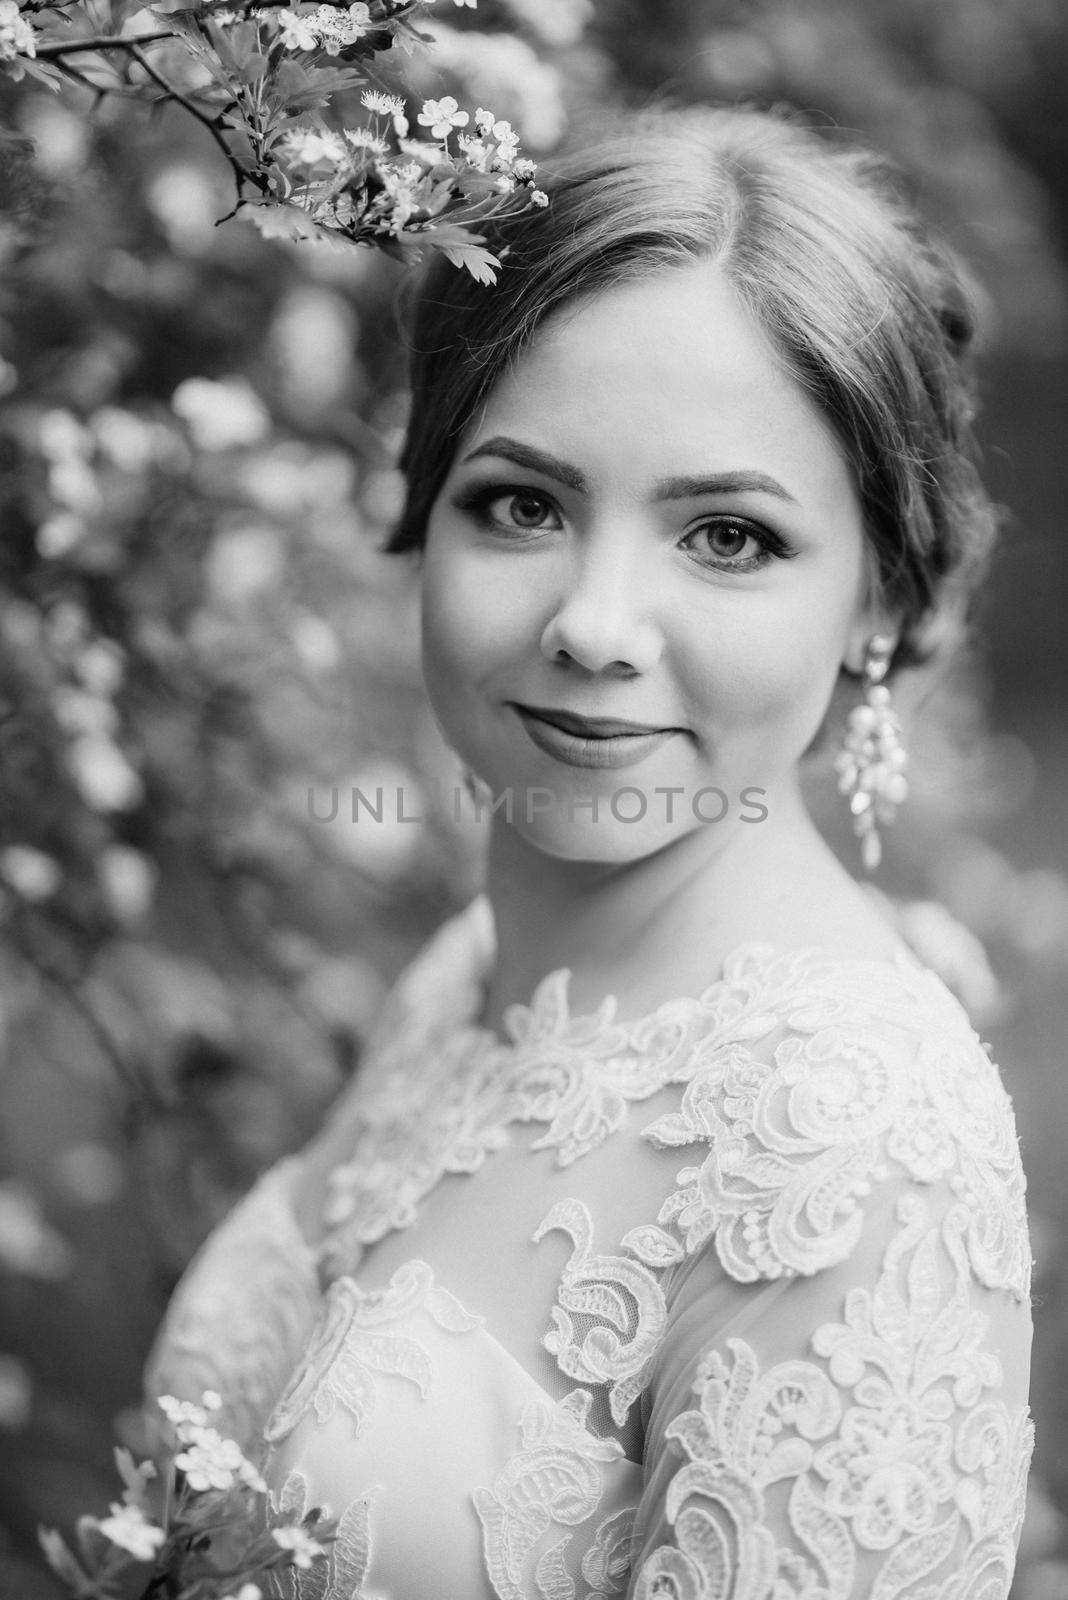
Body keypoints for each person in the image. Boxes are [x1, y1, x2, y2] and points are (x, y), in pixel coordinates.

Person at [144, 106, 1034, 1598]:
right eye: (523, 504)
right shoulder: (464, 984)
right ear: (427, 511)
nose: (595, 626)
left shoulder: (845, 1144)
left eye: (728, 537)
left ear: (878, 598)